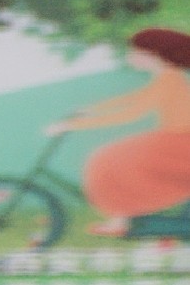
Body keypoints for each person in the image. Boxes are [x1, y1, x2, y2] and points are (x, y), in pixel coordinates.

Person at [51, 27, 190, 235]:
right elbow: (134, 98)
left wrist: (72, 125)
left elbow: (131, 114)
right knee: (111, 160)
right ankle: (123, 218)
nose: (131, 56)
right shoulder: (166, 76)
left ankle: (122, 220)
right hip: (175, 139)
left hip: (180, 143)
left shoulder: (169, 79)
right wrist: (90, 109)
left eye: (137, 52)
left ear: (156, 54)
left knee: (109, 160)